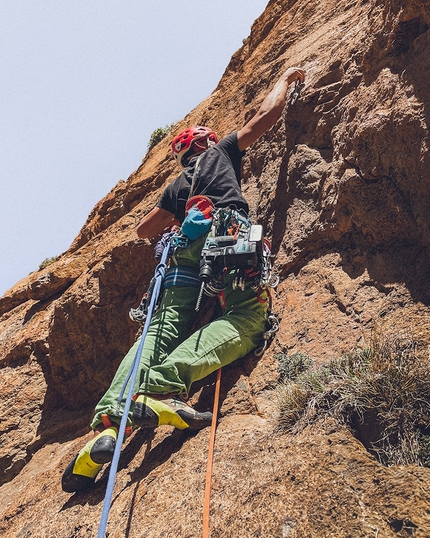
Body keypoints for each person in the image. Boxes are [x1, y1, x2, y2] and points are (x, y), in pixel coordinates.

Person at [62, 66, 305, 493]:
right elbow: (262, 119)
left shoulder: (178, 184)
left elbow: (144, 230)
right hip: (226, 230)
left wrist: (180, 214)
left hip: (181, 254)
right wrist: (284, 78)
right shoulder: (221, 152)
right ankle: (159, 390)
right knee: (248, 315)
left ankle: (108, 425)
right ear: (207, 142)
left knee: (157, 331)